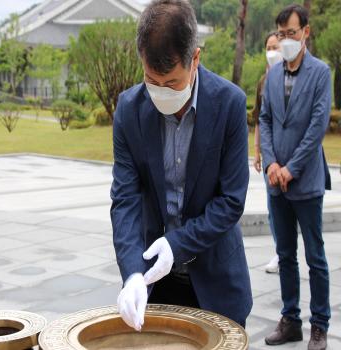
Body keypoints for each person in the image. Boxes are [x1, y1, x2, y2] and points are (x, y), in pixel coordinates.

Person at [111, 0, 252, 332]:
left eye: (172, 83)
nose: (161, 92)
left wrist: (177, 244)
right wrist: (132, 273)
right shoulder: (129, 110)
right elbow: (126, 199)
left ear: (196, 59)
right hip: (156, 281)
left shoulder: (228, 104)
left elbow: (231, 201)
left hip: (217, 280)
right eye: (151, 79)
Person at [259, 4, 332, 350]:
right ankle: (290, 320)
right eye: (281, 34)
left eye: (291, 33)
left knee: (315, 257)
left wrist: (291, 168)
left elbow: (317, 127)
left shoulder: (321, 73)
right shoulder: (273, 74)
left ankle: (319, 325)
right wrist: (272, 164)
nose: (286, 40)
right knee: (285, 253)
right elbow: (266, 120)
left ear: (306, 32)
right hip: (276, 183)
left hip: (305, 181)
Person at [252, 32, 283, 274]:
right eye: (268, 47)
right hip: (269, 156)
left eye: (276, 46)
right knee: (274, 210)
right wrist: (258, 151)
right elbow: (260, 119)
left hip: (291, 158)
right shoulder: (264, 81)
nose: (271, 51)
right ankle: (280, 252)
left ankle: (288, 252)